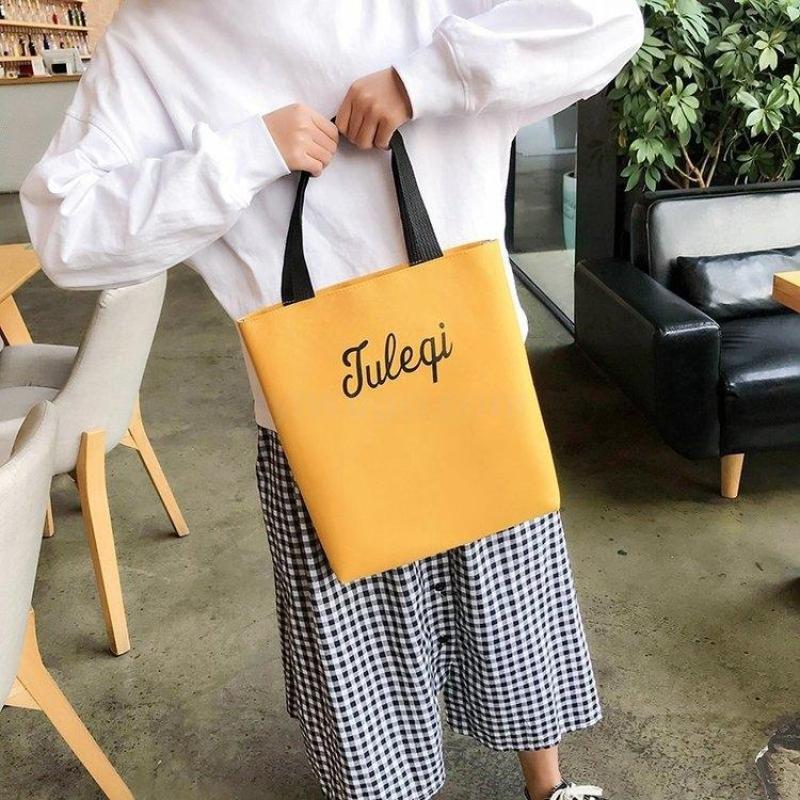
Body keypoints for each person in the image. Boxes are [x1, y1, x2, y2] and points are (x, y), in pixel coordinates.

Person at [20, 2, 644, 798]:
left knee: (510, 601)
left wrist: (423, 80)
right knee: (361, 645)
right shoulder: (158, 36)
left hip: (468, 375)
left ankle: (548, 785)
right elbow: (65, 232)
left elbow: (606, 22)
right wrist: (245, 154)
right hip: (320, 410)